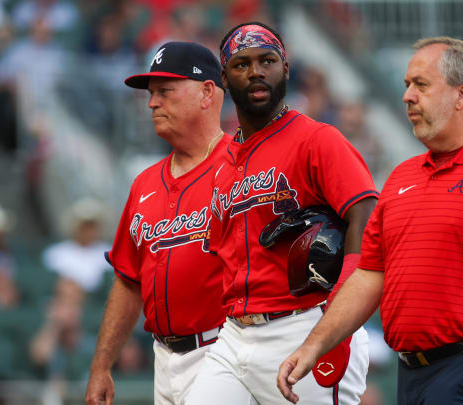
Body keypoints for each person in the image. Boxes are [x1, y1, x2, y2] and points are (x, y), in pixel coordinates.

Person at [278, 36, 463, 404]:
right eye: (406, 85)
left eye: (421, 84)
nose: (407, 96)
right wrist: (314, 346)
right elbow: (370, 275)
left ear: (462, 95)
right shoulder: (402, 176)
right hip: (412, 373)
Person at [185, 22, 377, 404]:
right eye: (241, 64)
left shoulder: (317, 139)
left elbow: (368, 214)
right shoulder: (221, 161)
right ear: (223, 77)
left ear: (286, 68)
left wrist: (342, 308)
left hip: (305, 323)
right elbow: (218, 252)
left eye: (267, 60)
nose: (256, 71)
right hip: (235, 335)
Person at [85, 41, 229, 405]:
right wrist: (101, 366)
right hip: (163, 359)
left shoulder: (242, 168)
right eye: (151, 94)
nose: (152, 103)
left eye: (164, 91)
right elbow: (128, 280)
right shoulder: (144, 184)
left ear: (206, 93)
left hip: (224, 351)